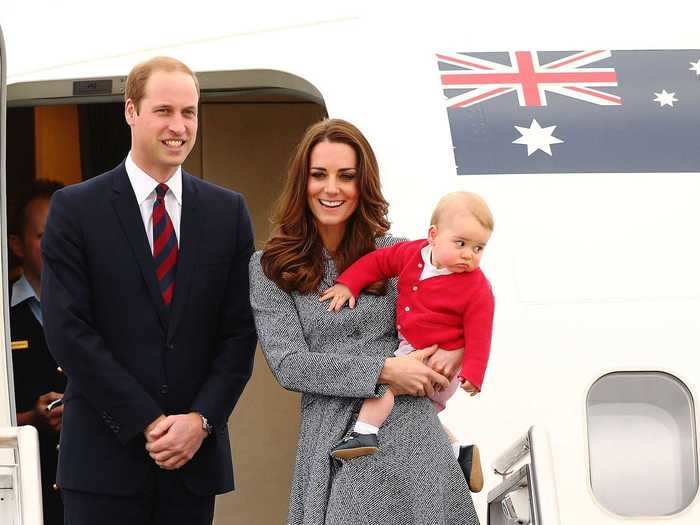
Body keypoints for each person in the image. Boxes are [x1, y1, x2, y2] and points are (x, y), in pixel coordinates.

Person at [40, 56, 257, 525]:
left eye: (189, 112)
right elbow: (67, 331)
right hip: (102, 464)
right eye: (164, 111)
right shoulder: (76, 209)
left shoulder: (228, 213)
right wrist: (149, 421)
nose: (178, 126)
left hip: (192, 465)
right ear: (130, 111)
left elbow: (240, 334)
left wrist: (200, 422)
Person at [249, 118, 480, 525]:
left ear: (364, 184)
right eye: (319, 175)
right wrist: (385, 370)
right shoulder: (270, 267)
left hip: (411, 428)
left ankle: (453, 449)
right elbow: (289, 364)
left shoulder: (401, 254)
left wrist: (452, 354)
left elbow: (461, 305)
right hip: (336, 435)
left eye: (346, 176)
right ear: (302, 182)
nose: (332, 189)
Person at [321, 191, 495, 492]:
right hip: (415, 347)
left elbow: (481, 330)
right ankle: (458, 453)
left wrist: (473, 373)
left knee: (385, 381)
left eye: (478, 248)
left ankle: (364, 432)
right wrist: (348, 283)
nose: (469, 255)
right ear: (433, 236)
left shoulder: (476, 287)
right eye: (461, 244)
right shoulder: (411, 254)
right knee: (420, 413)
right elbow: (377, 262)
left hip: (435, 361)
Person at [9, 178, 66, 525]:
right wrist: (32, 419)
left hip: (91, 489)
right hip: (23, 491)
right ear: (17, 245)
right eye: (45, 238)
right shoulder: (2, 316)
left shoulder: (100, 308)